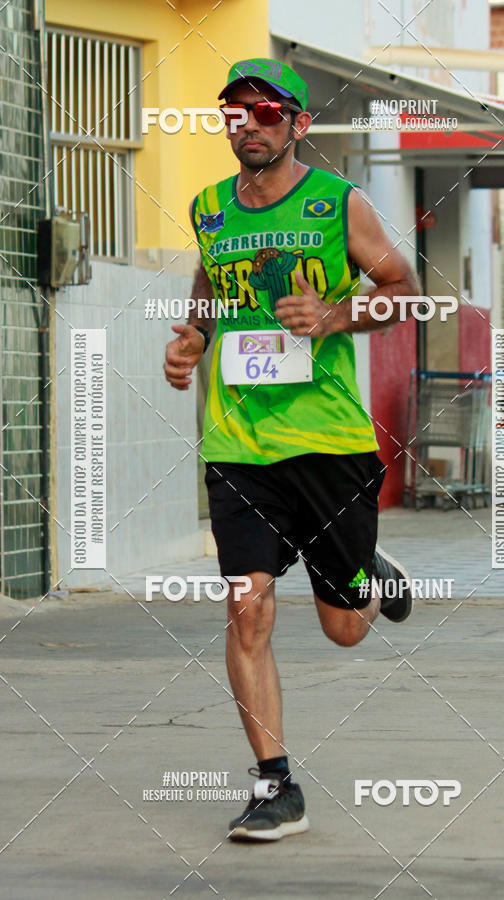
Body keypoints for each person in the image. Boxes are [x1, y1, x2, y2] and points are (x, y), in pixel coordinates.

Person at [163, 58, 421, 842]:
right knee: (246, 607)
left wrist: (336, 316)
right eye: (234, 112)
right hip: (239, 443)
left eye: (267, 112)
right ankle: (276, 787)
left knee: (345, 629)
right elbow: (210, 286)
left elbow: (404, 290)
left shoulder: (338, 204)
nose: (248, 124)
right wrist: (193, 336)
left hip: (328, 442)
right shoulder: (210, 208)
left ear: (299, 124)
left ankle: (369, 576)